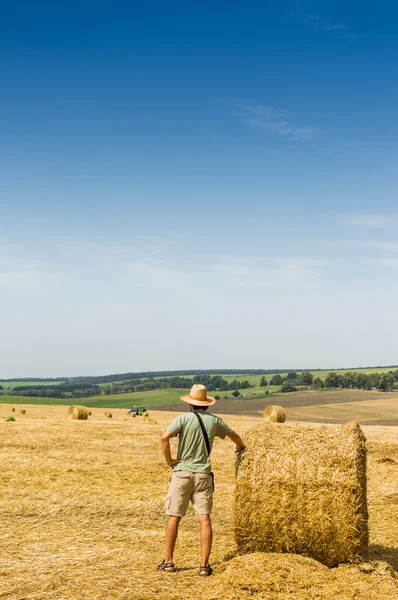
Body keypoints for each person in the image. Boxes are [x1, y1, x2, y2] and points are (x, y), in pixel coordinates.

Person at [156, 383, 246, 576]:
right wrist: (241, 448)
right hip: (203, 475)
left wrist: (169, 461)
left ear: (190, 404)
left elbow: (164, 438)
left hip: (181, 473)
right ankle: (204, 566)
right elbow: (235, 436)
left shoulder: (182, 418)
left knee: (174, 518)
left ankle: (169, 561)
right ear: (206, 404)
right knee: (204, 518)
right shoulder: (215, 421)